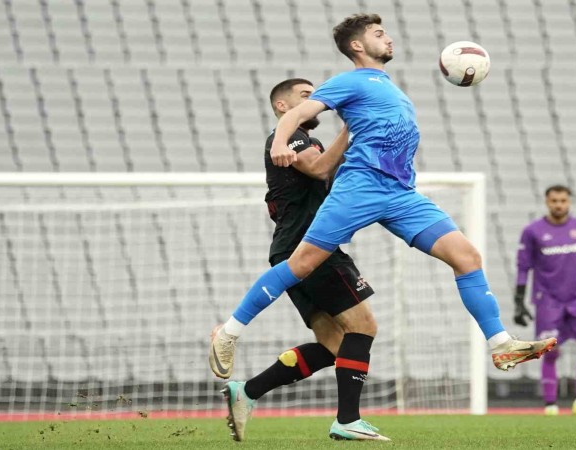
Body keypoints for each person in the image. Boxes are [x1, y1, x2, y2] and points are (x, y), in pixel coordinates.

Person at [211, 11, 556, 425]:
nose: (388, 38)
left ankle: (501, 343)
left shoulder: (387, 86)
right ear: (358, 45)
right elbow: (294, 115)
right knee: (301, 266)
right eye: (378, 33)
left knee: (466, 256)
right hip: (361, 187)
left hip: (401, 193)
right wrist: (281, 143)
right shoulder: (349, 80)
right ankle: (229, 332)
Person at [219, 78, 390, 441]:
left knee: (333, 345)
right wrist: (350, 126)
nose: (316, 102)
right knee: (363, 327)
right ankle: (347, 421)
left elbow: (329, 175)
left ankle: (247, 391)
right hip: (311, 248)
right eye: (306, 96)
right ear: (284, 107)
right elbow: (319, 169)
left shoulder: (303, 142)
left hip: (288, 249)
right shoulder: (295, 137)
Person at [514, 185, 576, 416]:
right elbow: (523, 267)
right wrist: (519, 300)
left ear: (569, 202)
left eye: (563, 200)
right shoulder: (533, 231)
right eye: (554, 200)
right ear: (547, 201)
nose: (558, 205)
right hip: (548, 299)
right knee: (551, 352)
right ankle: (550, 405)